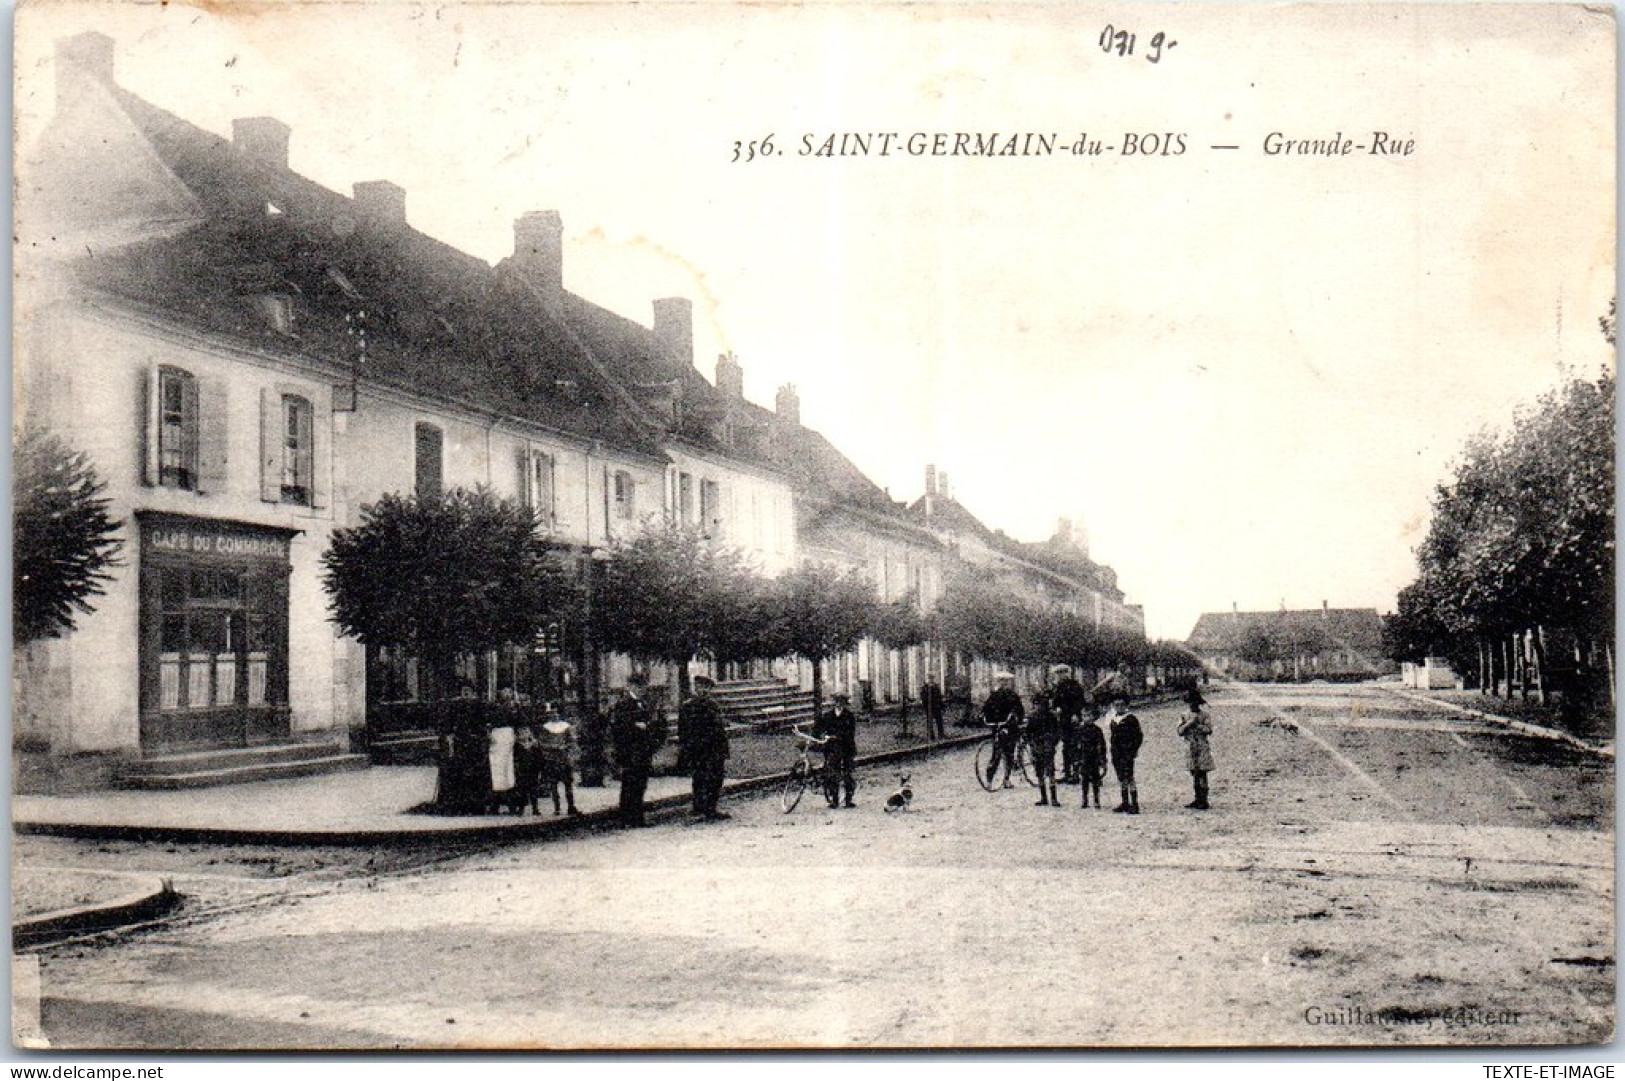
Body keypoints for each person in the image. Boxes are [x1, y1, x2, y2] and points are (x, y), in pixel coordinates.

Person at [609, 675, 666, 828]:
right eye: (639, 686)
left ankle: (637, 817)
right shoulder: (623, 704)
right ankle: (627, 818)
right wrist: (636, 726)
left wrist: (648, 728)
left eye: (643, 687)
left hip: (643, 750)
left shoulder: (643, 704)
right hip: (630, 751)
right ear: (631, 686)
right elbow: (619, 728)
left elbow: (654, 724)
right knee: (630, 784)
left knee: (640, 784)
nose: (642, 690)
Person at [683, 675, 731, 820]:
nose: (704, 691)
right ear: (696, 688)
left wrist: (723, 749)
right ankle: (699, 808)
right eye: (701, 687)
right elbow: (684, 730)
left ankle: (711, 808)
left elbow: (719, 728)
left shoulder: (713, 705)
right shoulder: (688, 706)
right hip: (699, 749)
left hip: (715, 749)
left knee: (715, 779)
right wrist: (689, 748)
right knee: (699, 778)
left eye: (707, 688)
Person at [814, 691, 859, 808]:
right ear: (834, 703)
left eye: (841, 702)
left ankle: (848, 800)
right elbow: (818, 728)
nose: (838, 704)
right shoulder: (828, 716)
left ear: (845, 703)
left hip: (846, 747)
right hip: (832, 749)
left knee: (848, 774)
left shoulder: (849, 716)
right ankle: (834, 800)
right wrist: (819, 736)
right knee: (832, 774)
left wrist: (835, 737)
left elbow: (850, 733)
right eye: (837, 701)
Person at [981, 672, 1026, 789]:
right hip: (997, 726)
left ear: (1009, 683)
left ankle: (1007, 778)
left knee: (1009, 753)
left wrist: (1016, 718)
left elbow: (1019, 710)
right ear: (998, 682)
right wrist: (984, 716)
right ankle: (989, 780)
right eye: (1001, 681)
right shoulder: (994, 695)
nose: (1004, 683)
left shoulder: (1013, 695)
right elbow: (986, 709)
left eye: (1006, 681)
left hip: (1010, 727)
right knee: (996, 754)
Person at [535, 704, 582, 816]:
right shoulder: (546, 728)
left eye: (556, 713)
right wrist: (551, 747)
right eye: (552, 713)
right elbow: (541, 742)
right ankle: (557, 808)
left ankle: (571, 806)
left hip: (564, 758)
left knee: (568, 783)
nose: (554, 715)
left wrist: (566, 748)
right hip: (552, 758)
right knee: (553, 784)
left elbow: (572, 742)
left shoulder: (565, 726)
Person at [1177, 687, 1215, 810]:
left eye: (1195, 703)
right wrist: (1188, 724)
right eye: (1190, 702)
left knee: (1202, 772)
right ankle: (1197, 798)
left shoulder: (1205, 715)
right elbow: (1179, 731)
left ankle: (1204, 799)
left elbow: (1209, 730)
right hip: (1190, 746)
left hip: (1202, 746)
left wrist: (1198, 725)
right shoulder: (1184, 715)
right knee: (1194, 772)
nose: (1193, 705)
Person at [1106, 695, 1143, 814]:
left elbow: (1138, 736)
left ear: (1126, 706)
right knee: (1121, 777)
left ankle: (1134, 803)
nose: (1119, 707)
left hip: (1127, 751)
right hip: (1117, 752)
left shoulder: (1131, 719)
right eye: (1116, 705)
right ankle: (1125, 802)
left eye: (1122, 705)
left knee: (1129, 776)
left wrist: (1133, 749)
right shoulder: (1113, 720)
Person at [1051, 664, 1088, 782]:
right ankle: (1067, 773)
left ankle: (1076, 773)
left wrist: (1076, 714)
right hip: (1063, 719)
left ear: (1067, 673)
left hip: (1073, 718)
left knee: (1075, 745)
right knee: (1065, 747)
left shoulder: (1074, 685)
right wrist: (1056, 707)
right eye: (1058, 673)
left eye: (1063, 672)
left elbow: (1080, 701)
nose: (1060, 675)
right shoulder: (1057, 687)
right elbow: (1056, 701)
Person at [1026, 691, 1062, 806]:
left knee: (1050, 772)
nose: (1038, 707)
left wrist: (1052, 743)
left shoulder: (1050, 716)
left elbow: (1057, 732)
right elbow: (1028, 733)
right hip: (1038, 746)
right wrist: (1031, 744)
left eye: (1040, 704)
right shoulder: (1033, 717)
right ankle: (1044, 797)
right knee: (1040, 773)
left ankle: (1052, 798)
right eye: (1036, 704)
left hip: (1047, 746)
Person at [1077, 705, 1108, 809]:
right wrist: (1076, 759)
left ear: (1092, 716)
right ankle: (1084, 799)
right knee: (1084, 780)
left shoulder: (1097, 730)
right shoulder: (1080, 730)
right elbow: (1076, 745)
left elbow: (1102, 745)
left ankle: (1096, 800)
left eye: (1089, 715)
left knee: (1095, 779)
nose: (1087, 718)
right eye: (1084, 716)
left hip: (1094, 757)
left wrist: (1103, 759)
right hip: (1084, 757)